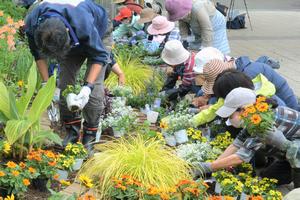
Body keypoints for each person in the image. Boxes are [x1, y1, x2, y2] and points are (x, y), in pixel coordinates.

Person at [25, 0, 109, 148]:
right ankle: (72, 131)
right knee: (64, 86)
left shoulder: (83, 22)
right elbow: (38, 55)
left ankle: (89, 136)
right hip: (71, 35)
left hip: (99, 32)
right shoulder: (32, 24)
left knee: (94, 90)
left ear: (68, 33)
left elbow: (99, 56)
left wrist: (86, 88)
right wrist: (46, 85)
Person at [197, 87, 300, 188]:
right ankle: (290, 169)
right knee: (267, 178)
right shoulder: (256, 115)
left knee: (296, 190)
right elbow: (236, 145)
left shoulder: (262, 123)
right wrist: (213, 166)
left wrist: (207, 167)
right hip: (291, 153)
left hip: (297, 154)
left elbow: (241, 157)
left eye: (230, 115)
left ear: (243, 110)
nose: (229, 119)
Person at [193, 48, 299, 111]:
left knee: (292, 112)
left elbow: (240, 102)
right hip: (268, 94)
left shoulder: (247, 75)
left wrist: (212, 108)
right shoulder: (234, 71)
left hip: (279, 91)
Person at [165, 0, 230, 54]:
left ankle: (218, 61)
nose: (180, 18)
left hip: (214, 23)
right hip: (197, 23)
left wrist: (205, 50)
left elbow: (206, 29)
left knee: (213, 47)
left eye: (181, 16)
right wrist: (184, 39)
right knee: (195, 42)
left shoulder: (198, 8)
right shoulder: (180, 12)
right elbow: (182, 26)